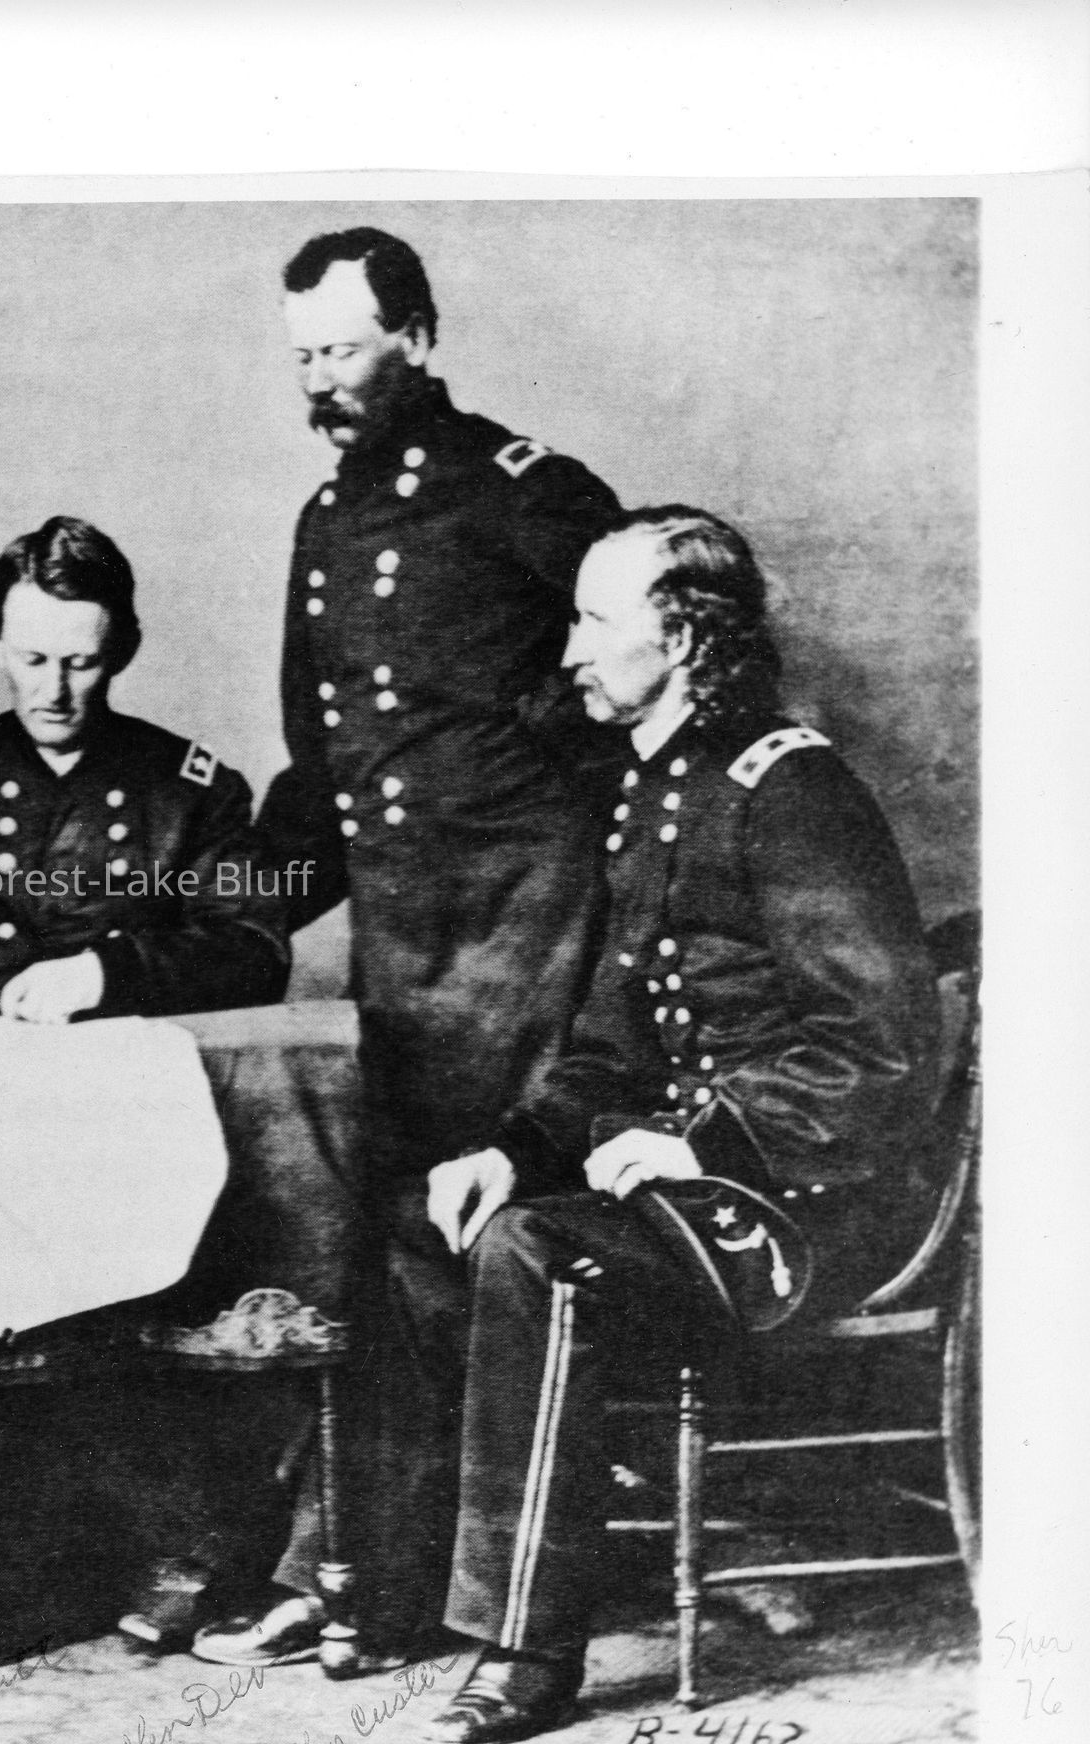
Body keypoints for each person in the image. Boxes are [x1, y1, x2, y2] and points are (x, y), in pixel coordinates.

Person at [407, 508, 941, 1740]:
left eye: (596, 621)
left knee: (538, 1255)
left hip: (808, 1207)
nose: (569, 651)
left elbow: (882, 1052)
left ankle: (529, 1649)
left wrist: (705, 1142)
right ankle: (392, 1596)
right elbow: (608, 1051)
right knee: (427, 1227)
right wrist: (510, 1151)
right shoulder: (653, 789)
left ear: (689, 638)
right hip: (698, 1193)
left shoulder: (791, 790)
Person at [193, 229, 624, 1667]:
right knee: (389, 1247)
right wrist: (197, 926)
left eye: (342, 348)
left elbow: (643, 664)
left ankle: (430, 1590)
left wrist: (526, 795)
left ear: (419, 339)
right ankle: (373, 1578)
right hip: (401, 946)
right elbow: (321, 775)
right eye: (301, 353)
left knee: (467, 1238)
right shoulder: (325, 523)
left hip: (522, 932)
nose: (317, 378)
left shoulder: (526, 490)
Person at [0, 515, 288, 1021]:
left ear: (123, 651)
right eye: (33, 660)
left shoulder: (194, 792)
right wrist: (33, 988)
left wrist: (107, 976)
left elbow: (254, 949)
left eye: (81, 663)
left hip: (134, 1050)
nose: (55, 692)